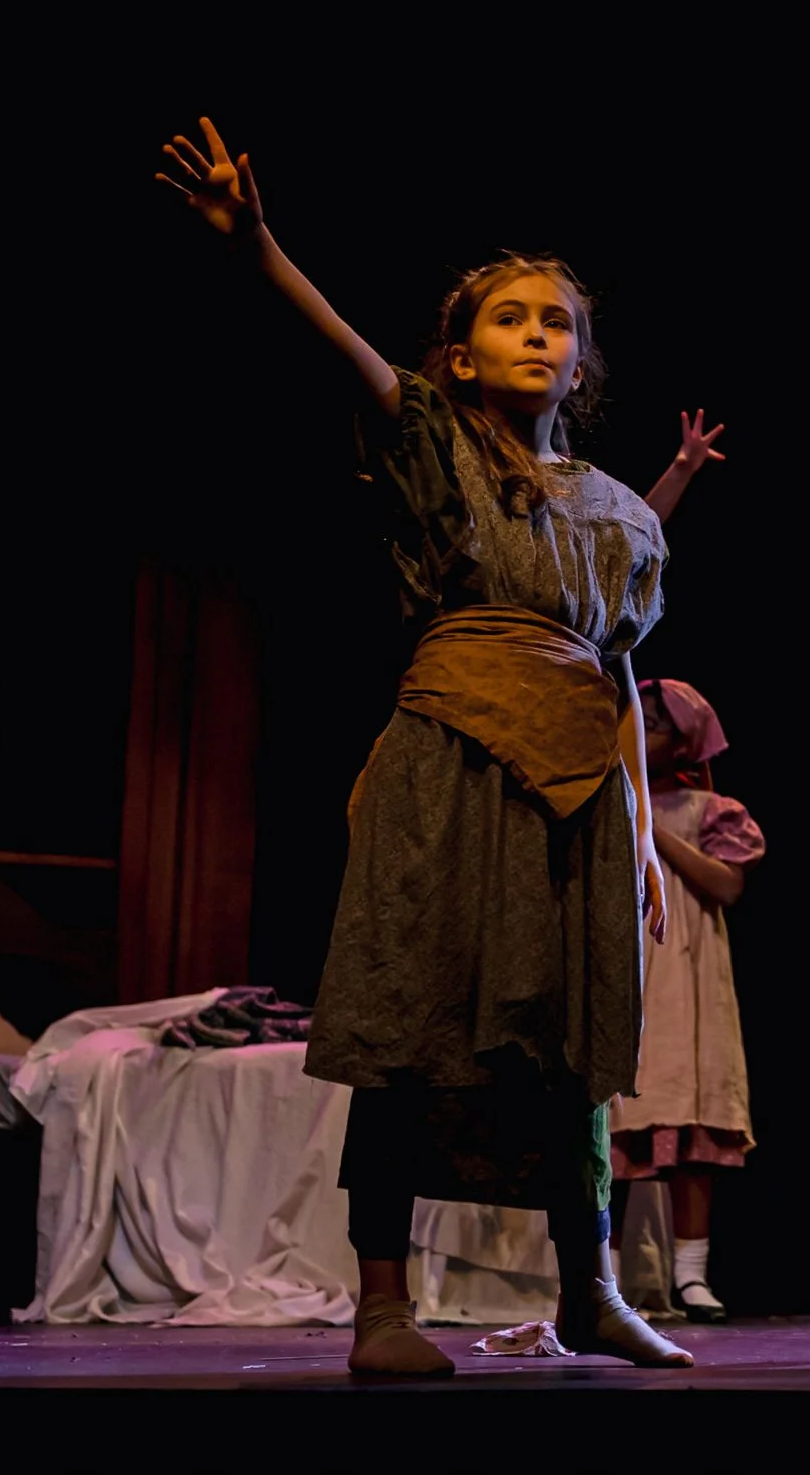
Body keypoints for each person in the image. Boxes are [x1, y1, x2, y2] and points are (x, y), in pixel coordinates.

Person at [156, 117, 691, 1374]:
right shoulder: (435, 447)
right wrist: (261, 246)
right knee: (406, 1021)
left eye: (556, 322)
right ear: (458, 356)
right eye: (510, 318)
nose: (538, 336)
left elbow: (615, 673)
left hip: (571, 785)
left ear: (580, 362)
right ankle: (382, 1306)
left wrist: (638, 831)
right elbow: (349, 356)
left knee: (574, 1039)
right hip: (447, 760)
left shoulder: (617, 514)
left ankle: (590, 1288)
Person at [605, 678, 765, 1323]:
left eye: (658, 724)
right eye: (635, 718)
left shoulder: (708, 810)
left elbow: (725, 885)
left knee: (690, 1130)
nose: (643, 731)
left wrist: (651, 825)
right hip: (628, 972)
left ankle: (691, 1276)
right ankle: (605, 1277)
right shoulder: (602, 803)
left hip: (686, 978)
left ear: (685, 742)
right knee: (619, 1138)